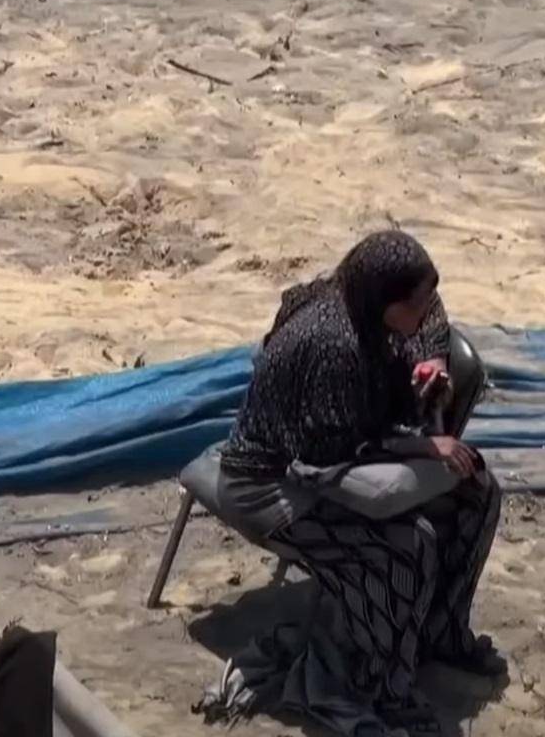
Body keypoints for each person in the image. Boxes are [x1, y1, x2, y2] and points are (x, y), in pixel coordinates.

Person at [212, 230, 504, 733]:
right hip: (274, 481)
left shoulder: (368, 298)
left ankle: (441, 634)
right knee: (406, 546)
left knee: (478, 493)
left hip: (341, 455)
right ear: (386, 299)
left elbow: (433, 313)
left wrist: (432, 356)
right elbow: (330, 449)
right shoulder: (335, 344)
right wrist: (423, 447)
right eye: (414, 305)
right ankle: (382, 686)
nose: (424, 312)